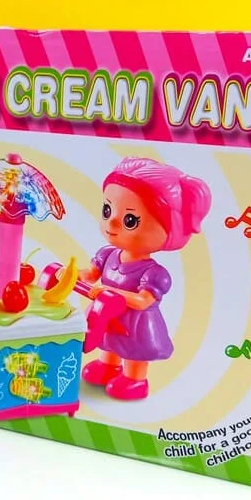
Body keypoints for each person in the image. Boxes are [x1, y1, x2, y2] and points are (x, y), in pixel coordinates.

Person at [79, 156, 211, 401]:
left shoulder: (154, 273)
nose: (112, 222)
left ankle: (135, 380)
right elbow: (90, 274)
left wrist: (109, 292)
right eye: (107, 210)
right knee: (109, 341)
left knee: (133, 351)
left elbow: (143, 301)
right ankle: (108, 366)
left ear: (169, 230)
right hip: (107, 313)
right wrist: (72, 275)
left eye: (130, 220)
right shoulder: (107, 254)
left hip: (135, 323)